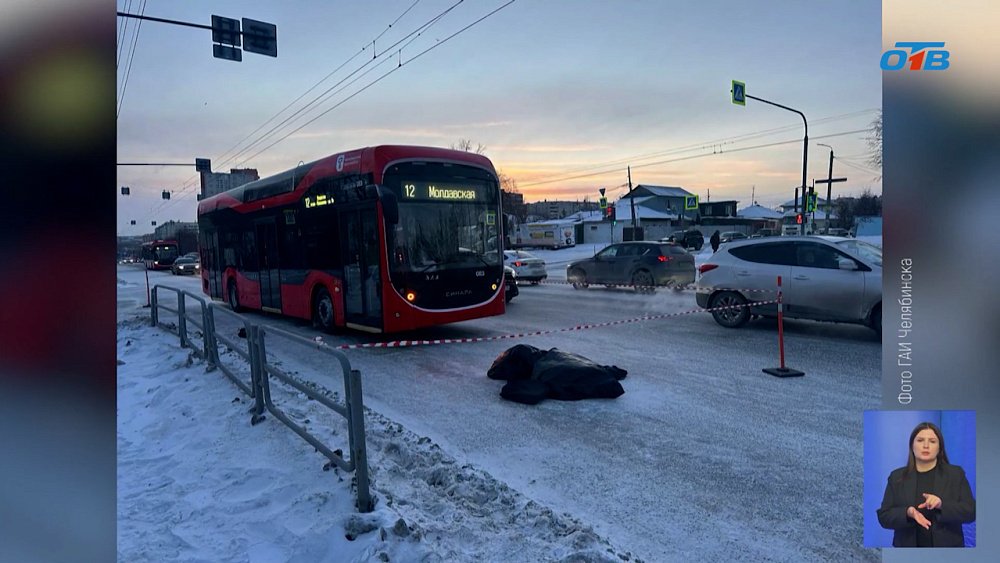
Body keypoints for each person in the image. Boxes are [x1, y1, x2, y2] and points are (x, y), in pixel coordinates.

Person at [876, 421, 976, 547]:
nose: (926, 445)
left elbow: (971, 512)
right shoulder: (897, 477)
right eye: (920, 440)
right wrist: (908, 513)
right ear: (912, 445)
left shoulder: (956, 474)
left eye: (932, 441)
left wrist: (941, 505)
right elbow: (884, 516)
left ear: (939, 447)